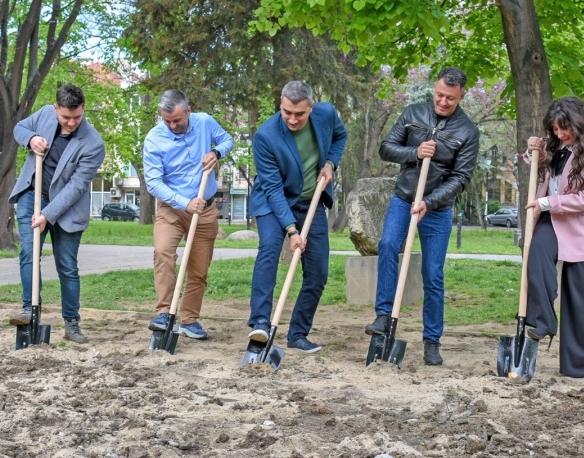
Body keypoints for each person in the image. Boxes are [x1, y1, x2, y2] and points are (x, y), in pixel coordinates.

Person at [364, 67, 480, 366]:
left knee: (433, 274)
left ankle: (431, 341)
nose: (443, 102)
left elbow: (461, 177)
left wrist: (430, 201)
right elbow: (386, 149)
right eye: (440, 95)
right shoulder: (413, 112)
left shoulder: (467, 131)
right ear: (434, 89)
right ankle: (383, 317)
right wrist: (415, 152)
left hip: (437, 210)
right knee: (388, 245)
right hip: (403, 199)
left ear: (462, 95)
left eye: (450, 98)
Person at [247, 81, 347, 353]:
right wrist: (292, 231)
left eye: (299, 114)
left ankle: (298, 334)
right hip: (273, 201)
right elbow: (273, 188)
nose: (292, 119)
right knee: (269, 250)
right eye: (286, 112)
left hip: (309, 200)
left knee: (318, 272)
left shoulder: (325, 114)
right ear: (281, 105)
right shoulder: (266, 136)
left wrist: (330, 163)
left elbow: (340, 136)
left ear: (311, 108)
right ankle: (259, 324)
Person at [8, 83, 106, 343]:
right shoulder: (43, 115)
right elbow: (19, 128)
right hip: (33, 195)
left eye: (77, 116)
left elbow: (75, 187)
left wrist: (47, 216)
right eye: (66, 117)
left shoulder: (93, 143)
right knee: (29, 254)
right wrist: (30, 139)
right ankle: (30, 310)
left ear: (83, 109)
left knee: (67, 266)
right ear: (56, 109)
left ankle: (72, 323)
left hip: (68, 209)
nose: (72, 122)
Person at [524, 96, 584, 378]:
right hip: (555, 218)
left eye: (564, 129)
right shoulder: (558, 143)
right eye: (554, 129)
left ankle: (577, 367)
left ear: (578, 123)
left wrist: (547, 203)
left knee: (580, 298)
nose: (559, 134)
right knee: (536, 257)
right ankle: (543, 321)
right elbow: (543, 167)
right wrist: (532, 151)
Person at [143, 89, 234, 340]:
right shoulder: (154, 139)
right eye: (167, 120)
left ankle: (189, 319)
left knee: (199, 269)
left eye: (177, 120)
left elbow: (227, 140)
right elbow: (153, 183)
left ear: (189, 111)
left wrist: (216, 153)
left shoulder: (204, 122)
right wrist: (185, 202)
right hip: (171, 209)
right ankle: (163, 314)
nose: (172, 125)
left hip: (205, 210)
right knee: (163, 252)